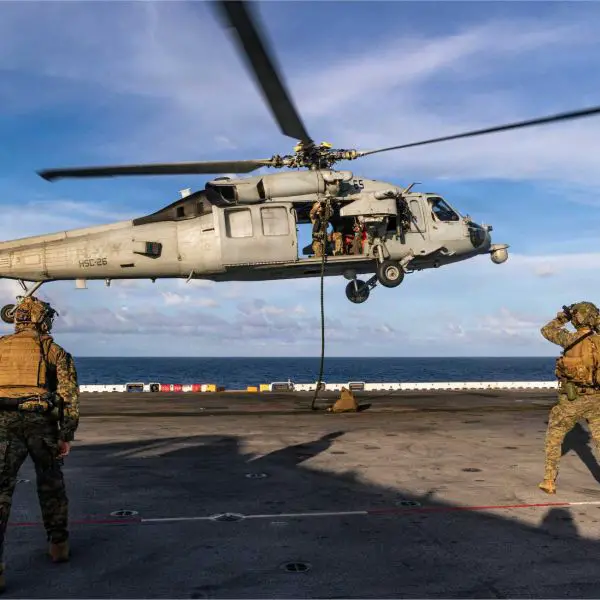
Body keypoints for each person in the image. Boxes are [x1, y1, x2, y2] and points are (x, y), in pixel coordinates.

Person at [0, 296, 79, 592]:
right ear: (41, 320)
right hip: (41, 426)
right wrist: (65, 435)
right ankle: (58, 545)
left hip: (3, 425)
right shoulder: (54, 351)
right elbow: (69, 397)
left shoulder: (0, 347)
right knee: (51, 486)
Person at [539, 301, 600, 494]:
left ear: (576, 319)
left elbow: (546, 330)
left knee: (554, 436)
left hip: (572, 401)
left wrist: (562, 317)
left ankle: (549, 481)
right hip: (597, 399)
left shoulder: (568, 339)